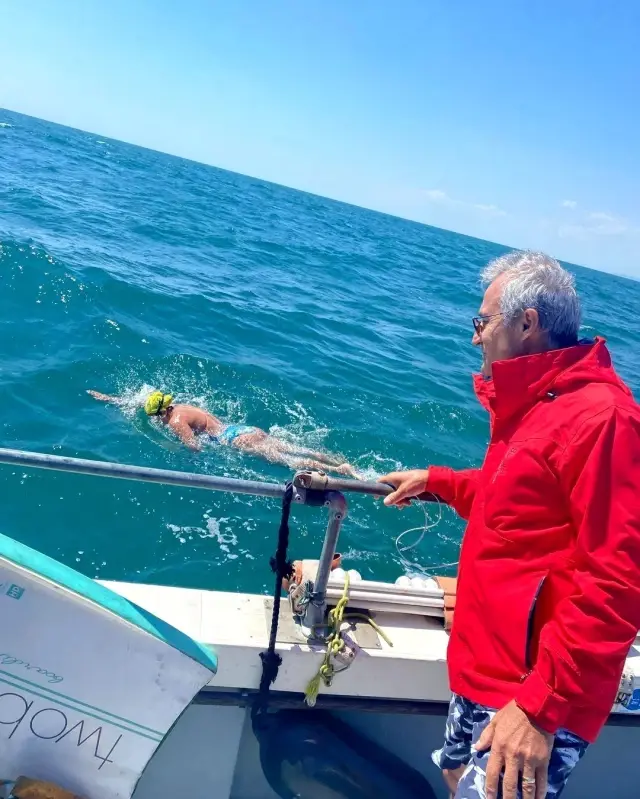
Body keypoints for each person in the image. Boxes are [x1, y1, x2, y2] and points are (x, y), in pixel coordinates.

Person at [380, 251, 640, 799]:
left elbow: (619, 582)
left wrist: (541, 708)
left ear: (527, 324)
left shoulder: (602, 419)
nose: (475, 338)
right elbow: (519, 504)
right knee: (454, 779)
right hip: (484, 668)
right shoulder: (539, 403)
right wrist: (441, 481)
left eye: (483, 321)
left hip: (533, 694)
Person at [87, 389, 357, 476]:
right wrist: (108, 398)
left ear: (161, 414)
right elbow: (137, 399)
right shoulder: (180, 407)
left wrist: (183, 455)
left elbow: (194, 447)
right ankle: (339, 463)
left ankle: (335, 472)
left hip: (235, 440)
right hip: (244, 429)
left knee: (288, 461)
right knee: (293, 448)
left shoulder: (175, 423)